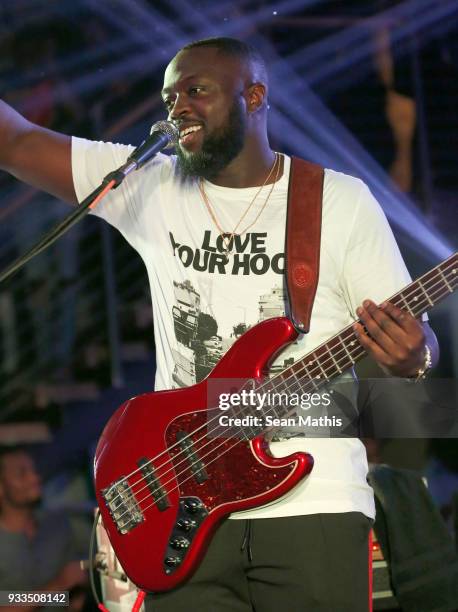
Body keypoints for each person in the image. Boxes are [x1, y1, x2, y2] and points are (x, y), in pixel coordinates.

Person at [0, 37, 439, 611]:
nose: (177, 105)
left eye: (196, 90)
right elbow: (17, 140)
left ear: (254, 96)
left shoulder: (338, 201)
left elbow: (412, 338)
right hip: (183, 502)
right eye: (169, 95)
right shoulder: (151, 185)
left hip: (314, 501)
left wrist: (415, 355)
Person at [0, 446, 87, 611]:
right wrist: (56, 586)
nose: (34, 477)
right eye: (21, 473)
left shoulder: (57, 524)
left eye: (34, 470)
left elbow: (70, 596)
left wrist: (75, 593)